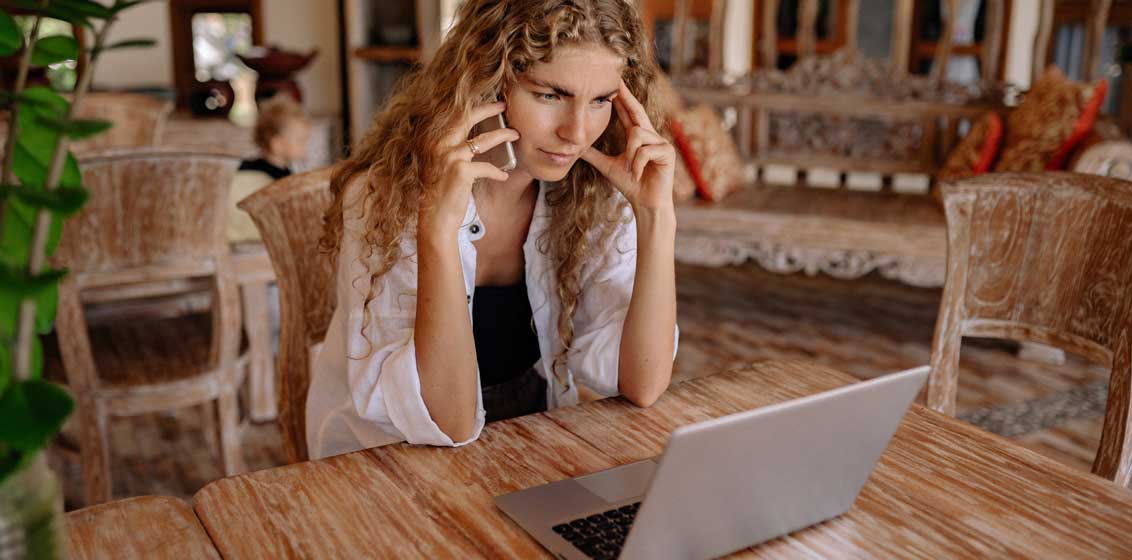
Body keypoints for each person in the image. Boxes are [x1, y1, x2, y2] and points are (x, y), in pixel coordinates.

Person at [307, 0, 679, 459]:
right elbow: (450, 421)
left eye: (601, 100)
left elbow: (643, 382)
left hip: (528, 430)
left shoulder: (591, 191)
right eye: (550, 95)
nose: (577, 132)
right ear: (487, 79)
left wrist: (656, 217)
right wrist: (438, 232)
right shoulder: (386, 197)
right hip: (389, 455)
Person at [227, 95, 312, 243]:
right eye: (300, 141)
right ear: (277, 145)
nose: (304, 147)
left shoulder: (246, 165)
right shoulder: (280, 179)